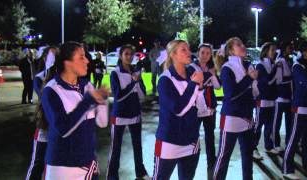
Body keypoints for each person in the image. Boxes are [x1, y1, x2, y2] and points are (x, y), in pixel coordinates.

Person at [41, 41, 109, 179]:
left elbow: (102, 123)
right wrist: (88, 101)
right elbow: (63, 129)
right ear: (68, 62)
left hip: (88, 163)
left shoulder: (87, 86)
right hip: (62, 168)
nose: (87, 61)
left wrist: (102, 101)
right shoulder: (52, 90)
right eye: (81, 57)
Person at [152, 40, 204, 180]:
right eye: (183, 50)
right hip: (169, 142)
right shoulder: (165, 80)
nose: (189, 52)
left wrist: (200, 89)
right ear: (173, 55)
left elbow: (200, 107)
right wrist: (193, 85)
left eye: (188, 49)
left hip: (191, 141)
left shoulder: (192, 73)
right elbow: (178, 109)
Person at [213, 37, 258, 180]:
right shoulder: (227, 68)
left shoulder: (248, 65)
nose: (243, 46)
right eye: (238, 45)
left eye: (243, 43)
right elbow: (231, 94)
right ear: (231, 51)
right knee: (224, 156)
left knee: (248, 154)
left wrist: (256, 91)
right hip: (231, 118)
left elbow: (253, 90)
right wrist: (249, 79)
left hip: (247, 116)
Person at [107, 44, 150, 180]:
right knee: (116, 148)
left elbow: (142, 95)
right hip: (119, 115)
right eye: (126, 54)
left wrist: (138, 83)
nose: (129, 57)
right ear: (121, 56)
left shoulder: (136, 72)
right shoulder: (115, 73)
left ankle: (140, 172)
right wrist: (133, 83)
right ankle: (112, 176)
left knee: (137, 146)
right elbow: (118, 95)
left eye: (131, 54)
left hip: (135, 114)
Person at [282, 41, 307, 180]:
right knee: (293, 139)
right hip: (300, 107)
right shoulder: (298, 66)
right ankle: (287, 168)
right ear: (304, 50)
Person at [188, 43, 221, 179]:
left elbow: (218, 87)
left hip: (210, 108)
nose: (205, 55)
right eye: (203, 52)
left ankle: (211, 168)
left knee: (210, 138)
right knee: (193, 138)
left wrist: (211, 76)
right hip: (195, 108)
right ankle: (189, 166)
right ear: (198, 53)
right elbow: (194, 84)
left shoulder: (212, 68)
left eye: (208, 53)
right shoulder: (191, 67)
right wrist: (209, 76)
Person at [25, 46, 58, 180]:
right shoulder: (39, 78)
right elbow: (45, 96)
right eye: (52, 56)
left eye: (57, 56)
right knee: (38, 163)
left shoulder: (64, 77)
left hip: (60, 128)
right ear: (45, 59)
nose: (55, 59)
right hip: (45, 126)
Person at [253, 42, 280, 160]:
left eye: (275, 50)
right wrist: (276, 69)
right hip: (262, 100)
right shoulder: (260, 65)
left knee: (269, 125)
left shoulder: (273, 64)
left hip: (272, 100)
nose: (275, 53)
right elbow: (266, 82)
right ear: (266, 51)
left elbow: (277, 82)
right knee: (258, 125)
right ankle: (253, 148)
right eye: (272, 50)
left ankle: (268, 146)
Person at [271, 41, 294, 152]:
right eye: (290, 47)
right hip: (280, 97)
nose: (291, 49)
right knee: (277, 122)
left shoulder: (289, 60)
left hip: (289, 97)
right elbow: (278, 80)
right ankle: (276, 143)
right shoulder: (280, 61)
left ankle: (290, 142)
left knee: (289, 122)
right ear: (285, 49)